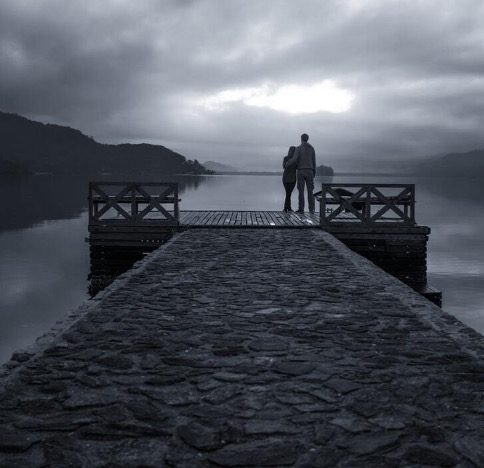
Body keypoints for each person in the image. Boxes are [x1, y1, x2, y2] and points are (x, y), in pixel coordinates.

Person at [288, 133, 316, 213]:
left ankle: (301, 209)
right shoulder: (312, 148)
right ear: (307, 139)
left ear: (301, 139)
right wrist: (314, 172)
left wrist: (287, 163)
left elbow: (294, 159)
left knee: (301, 191)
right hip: (310, 171)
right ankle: (311, 209)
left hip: (301, 171)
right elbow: (314, 161)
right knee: (310, 191)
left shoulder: (299, 148)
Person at [282, 146, 297, 212]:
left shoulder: (295, 159)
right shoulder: (286, 158)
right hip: (287, 179)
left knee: (288, 193)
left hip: (292, 179)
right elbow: (284, 166)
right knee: (288, 193)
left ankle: (287, 208)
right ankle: (287, 208)